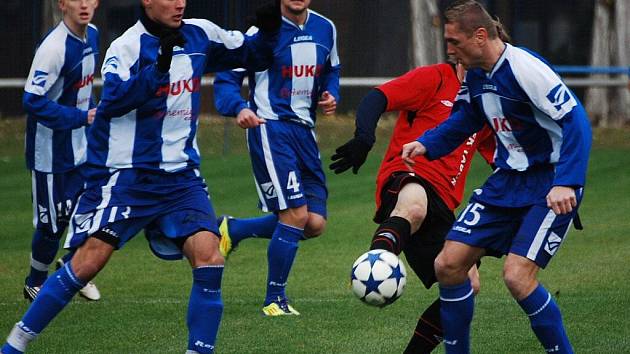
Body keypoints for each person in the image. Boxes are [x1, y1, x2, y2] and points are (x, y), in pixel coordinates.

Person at [1, 0, 280, 353]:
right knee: (88, 262)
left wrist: (271, 30)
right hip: (126, 176)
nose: (179, 3)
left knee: (210, 257)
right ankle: (15, 345)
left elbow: (255, 56)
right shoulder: (126, 45)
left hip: (180, 177)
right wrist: (159, 66)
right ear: (148, 1)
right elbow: (115, 100)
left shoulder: (200, 34)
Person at [402, 1, 592, 353]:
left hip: (547, 184)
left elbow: (576, 120)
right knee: (448, 264)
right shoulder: (475, 75)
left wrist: (567, 181)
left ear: (479, 36)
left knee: (517, 277)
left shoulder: (525, 69)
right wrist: (426, 144)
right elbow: (466, 120)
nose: (449, 50)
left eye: (454, 42)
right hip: (506, 183)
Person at [330, 60, 495, 353]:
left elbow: (502, 155)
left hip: (445, 201)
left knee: (467, 285)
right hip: (407, 171)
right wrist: (364, 138)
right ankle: (377, 264)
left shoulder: (485, 101)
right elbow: (377, 97)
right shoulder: (435, 78)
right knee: (415, 206)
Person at [213, 0, 339, 316]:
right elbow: (228, 78)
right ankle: (274, 300)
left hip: (305, 132)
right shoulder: (261, 32)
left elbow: (332, 69)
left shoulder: (326, 28)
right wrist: (238, 107)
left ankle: (234, 229)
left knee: (314, 223)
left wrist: (329, 93)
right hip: (270, 128)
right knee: (295, 214)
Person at [21, 0, 101, 303]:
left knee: (94, 213)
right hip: (50, 155)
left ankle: (72, 269)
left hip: (82, 147)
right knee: (52, 226)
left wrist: (92, 113)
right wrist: (82, 117)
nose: (83, 5)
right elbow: (33, 100)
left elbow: (83, 87)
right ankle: (35, 282)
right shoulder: (53, 49)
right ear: (62, 4)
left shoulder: (92, 34)